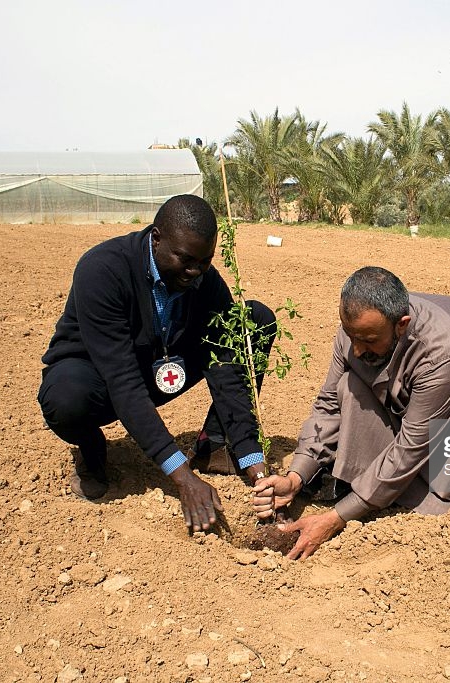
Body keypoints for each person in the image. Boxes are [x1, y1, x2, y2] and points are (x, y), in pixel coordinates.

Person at [253, 266, 450, 559]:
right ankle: (378, 488)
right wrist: (296, 476)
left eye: (368, 340)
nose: (358, 349)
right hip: (426, 419)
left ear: (401, 326)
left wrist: (336, 518)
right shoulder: (356, 333)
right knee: (350, 386)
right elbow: (329, 406)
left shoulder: (445, 348)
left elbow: (412, 445)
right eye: (352, 337)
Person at [38, 194, 274, 533]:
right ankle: (92, 450)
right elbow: (122, 380)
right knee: (65, 399)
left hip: (161, 367)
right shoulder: (103, 270)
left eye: (204, 261)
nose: (195, 272)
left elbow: (228, 372)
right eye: (185, 259)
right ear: (156, 237)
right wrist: (182, 476)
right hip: (99, 377)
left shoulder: (204, 281)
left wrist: (256, 465)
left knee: (251, 323)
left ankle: (217, 445)